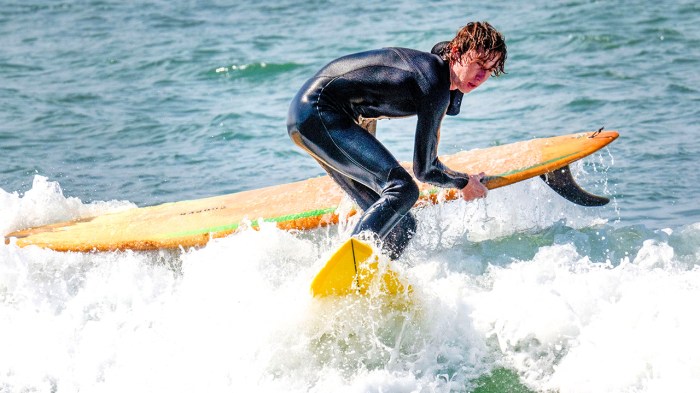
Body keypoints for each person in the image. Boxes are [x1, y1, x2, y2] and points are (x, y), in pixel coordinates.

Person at [287, 21, 507, 259]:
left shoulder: (437, 70)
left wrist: (459, 86)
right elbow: (425, 169)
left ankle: (373, 279)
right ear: (456, 53)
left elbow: (447, 82)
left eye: (490, 70)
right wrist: (464, 183)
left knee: (402, 225)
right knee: (402, 189)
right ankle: (352, 265)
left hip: (319, 118)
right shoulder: (434, 83)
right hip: (318, 112)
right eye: (478, 65)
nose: (482, 76)